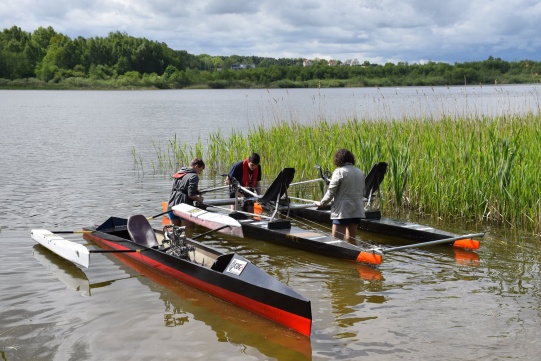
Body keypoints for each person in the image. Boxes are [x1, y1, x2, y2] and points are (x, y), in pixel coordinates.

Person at [315, 149, 365, 242]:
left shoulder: (339, 172)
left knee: (336, 242)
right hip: (357, 211)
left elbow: (331, 192)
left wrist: (322, 203)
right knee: (351, 241)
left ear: (338, 159)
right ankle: (353, 255)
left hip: (343, 212)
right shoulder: (360, 172)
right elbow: (363, 191)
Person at [167, 158, 205, 227]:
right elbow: (191, 195)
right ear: (196, 166)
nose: (199, 173)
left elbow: (179, 188)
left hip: (171, 205)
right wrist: (200, 199)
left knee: (174, 230)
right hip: (184, 207)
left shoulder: (179, 173)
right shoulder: (194, 176)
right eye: (200, 170)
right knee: (188, 231)